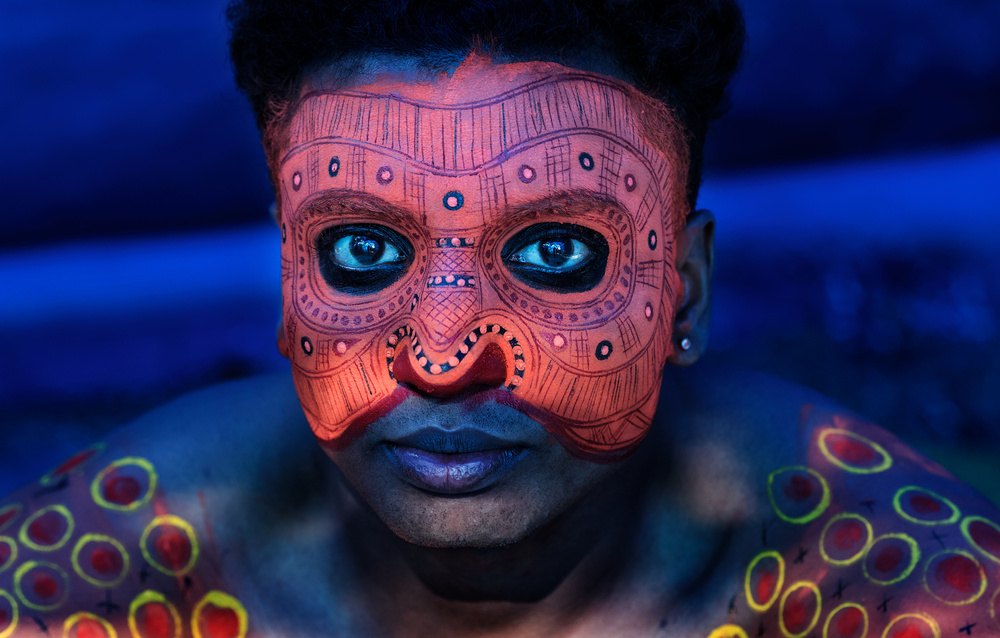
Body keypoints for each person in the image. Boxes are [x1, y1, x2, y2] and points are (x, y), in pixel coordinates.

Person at [1, 1, 998, 637]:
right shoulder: (96, 578)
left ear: (683, 290)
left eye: (555, 251)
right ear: (286, 272)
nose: (443, 356)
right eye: (360, 251)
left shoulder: (903, 588)